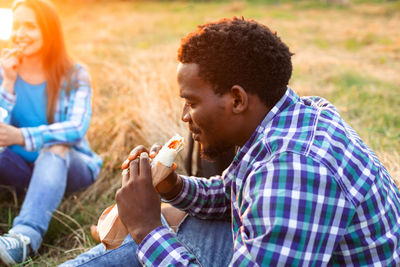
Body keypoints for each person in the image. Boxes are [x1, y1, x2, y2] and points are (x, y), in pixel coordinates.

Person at [62, 17, 400, 266]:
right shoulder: (290, 116)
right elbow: (235, 192)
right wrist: (173, 187)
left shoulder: (294, 168)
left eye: (192, 102)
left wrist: (147, 228)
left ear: (237, 100)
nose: (184, 116)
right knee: (169, 222)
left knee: (157, 233)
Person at [0, 0, 102, 265]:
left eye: (30, 26)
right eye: (17, 25)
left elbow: (75, 129)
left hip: (70, 167)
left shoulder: (75, 74)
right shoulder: (5, 71)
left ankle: (24, 238)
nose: (21, 33)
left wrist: (21, 137)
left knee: (55, 145)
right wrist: (8, 83)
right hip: (22, 169)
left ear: (49, 31)